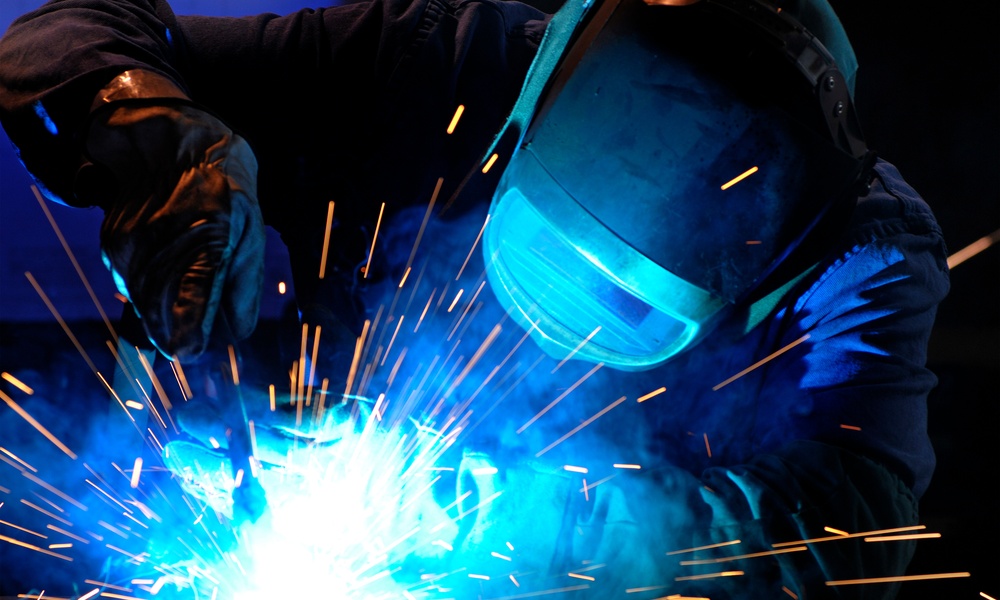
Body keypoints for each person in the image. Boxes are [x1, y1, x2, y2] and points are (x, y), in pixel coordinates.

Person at [0, 0, 949, 597]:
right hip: (259, 448)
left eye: (624, 298)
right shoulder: (445, 60)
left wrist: (491, 512)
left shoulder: (860, 251)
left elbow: (850, 537)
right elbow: (74, 28)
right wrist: (154, 135)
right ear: (536, 100)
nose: (564, 320)